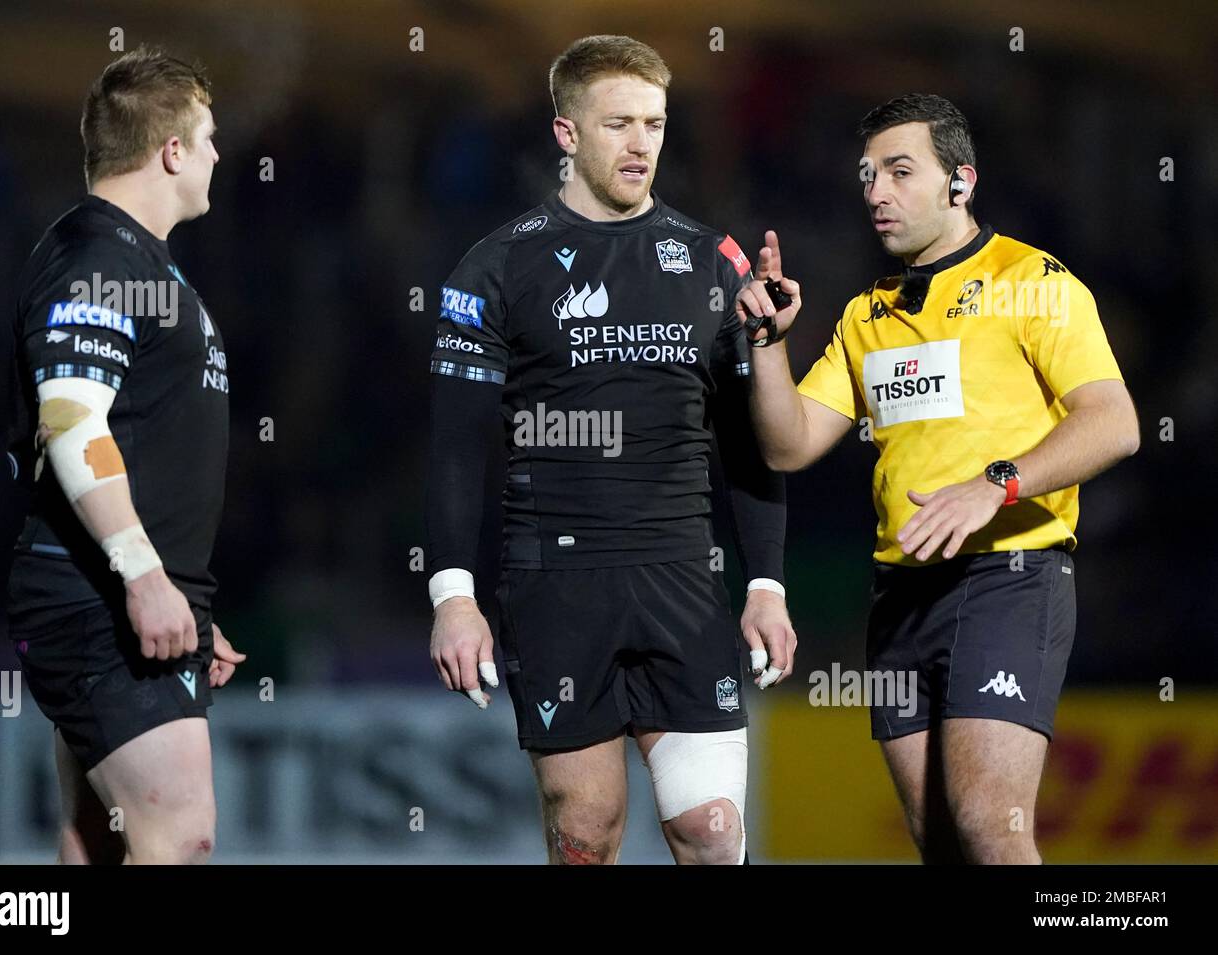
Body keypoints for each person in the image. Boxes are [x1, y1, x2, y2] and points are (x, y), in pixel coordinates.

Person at [737, 93, 1139, 863]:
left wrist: (997, 483)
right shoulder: (868, 314)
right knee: (942, 841)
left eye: (899, 171)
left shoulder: (1034, 280)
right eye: (867, 175)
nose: (876, 193)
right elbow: (788, 446)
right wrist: (766, 344)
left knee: (993, 825)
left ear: (961, 183)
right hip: (900, 596)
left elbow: (1115, 422)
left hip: (1009, 578)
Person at [426, 35, 793, 864]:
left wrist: (766, 582)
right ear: (566, 133)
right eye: (618, 124)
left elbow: (751, 441)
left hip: (682, 578)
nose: (640, 144)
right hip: (555, 584)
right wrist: (454, 595)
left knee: (710, 830)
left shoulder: (712, 260)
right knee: (585, 834)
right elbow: (455, 450)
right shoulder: (495, 268)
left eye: (655, 124)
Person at [6, 45, 244, 864]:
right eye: (208, 137)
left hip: (119, 599)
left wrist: (168, 587)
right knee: (180, 839)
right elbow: (72, 420)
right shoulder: (98, 255)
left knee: (100, 852)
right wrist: (142, 575)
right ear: (171, 150)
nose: (217, 154)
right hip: (98, 601)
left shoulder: (143, 262)